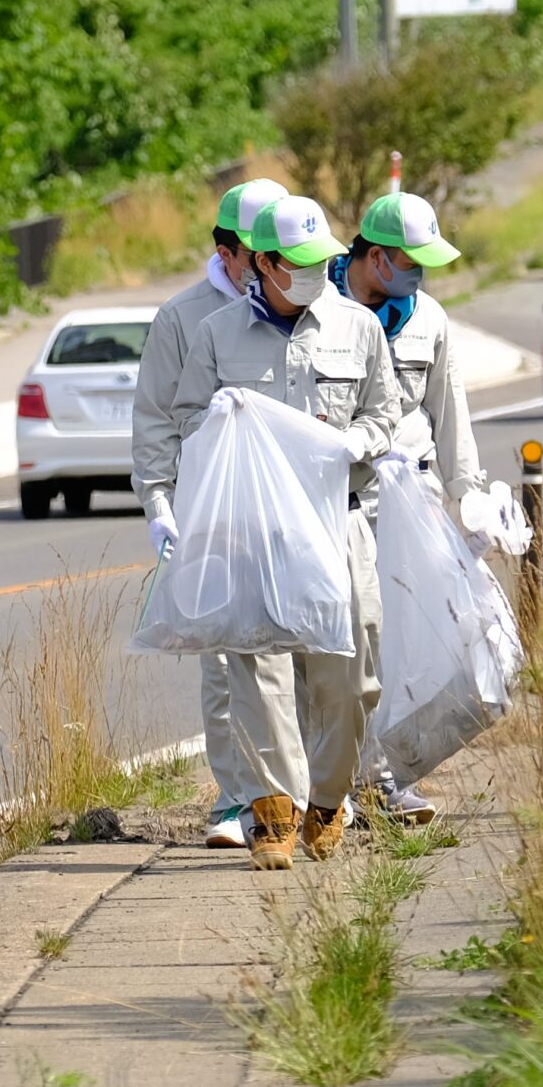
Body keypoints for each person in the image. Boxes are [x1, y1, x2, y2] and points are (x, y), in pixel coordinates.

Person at [171, 194, 402, 870]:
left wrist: (347, 444)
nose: (313, 273)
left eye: (322, 261)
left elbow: (383, 415)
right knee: (256, 665)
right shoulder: (216, 334)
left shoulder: (357, 328)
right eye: (296, 263)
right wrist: (221, 422)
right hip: (256, 530)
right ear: (264, 263)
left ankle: (327, 798)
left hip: (340, 519)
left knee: (351, 674)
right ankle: (273, 808)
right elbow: (188, 420)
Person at [130, 176, 286, 850]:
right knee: (224, 664)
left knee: (306, 657)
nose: (270, 265)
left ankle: (304, 793)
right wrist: (159, 503)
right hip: (215, 516)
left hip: (291, 512)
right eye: (257, 253)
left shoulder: (308, 304)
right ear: (226, 251)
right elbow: (155, 420)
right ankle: (235, 800)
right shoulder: (182, 318)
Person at [334, 190, 478, 827]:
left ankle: (386, 779)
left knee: (405, 647)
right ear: (375, 255)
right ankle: (334, 784)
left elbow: (450, 414)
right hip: (344, 501)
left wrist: (467, 493)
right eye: (409, 260)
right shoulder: (321, 312)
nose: (417, 274)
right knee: (345, 648)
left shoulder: (430, 320)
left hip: (411, 500)